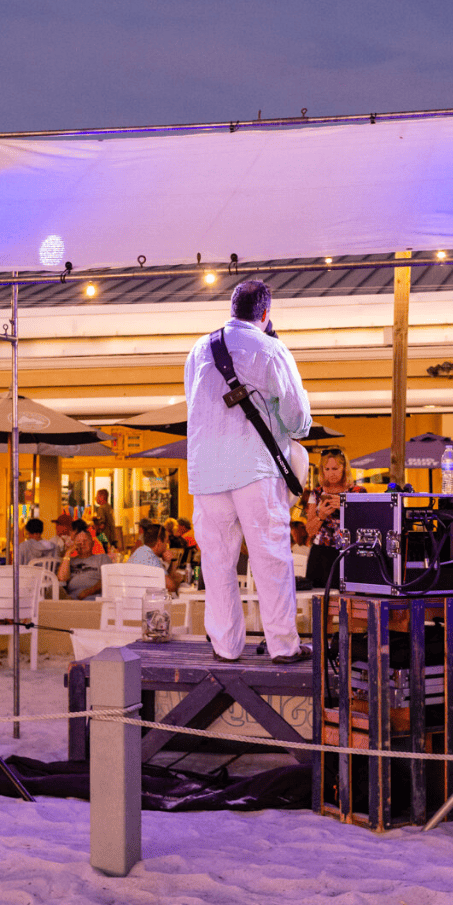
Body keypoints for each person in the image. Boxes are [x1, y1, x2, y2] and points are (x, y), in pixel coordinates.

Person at [185, 278, 312, 664]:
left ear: (231, 308)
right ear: (266, 313)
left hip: (206, 472)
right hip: (254, 469)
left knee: (217, 562)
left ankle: (225, 645)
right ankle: (283, 647)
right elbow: (298, 421)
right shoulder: (271, 349)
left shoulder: (198, 350)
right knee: (270, 558)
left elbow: (197, 404)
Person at [305, 448, 366, 587]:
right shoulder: (315, 493)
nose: (331, 473)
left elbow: (365, 526)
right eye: (327, 469)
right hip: (321, 553)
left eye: (335, 468)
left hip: (349, 552)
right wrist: (321, 515)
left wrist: (345, 508)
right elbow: (309, 531)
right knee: (319, 599)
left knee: (347, 599)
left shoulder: (357, 492)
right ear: (322, 470)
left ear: (344, 468)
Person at [56, 528, 111, 600]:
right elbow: (61, 578)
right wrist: (68, 553)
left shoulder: (102, 558)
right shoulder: (70, 560)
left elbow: (108, 579)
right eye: (78, 542)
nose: (82, 544)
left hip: (94, 596)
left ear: (93, 543)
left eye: (85, 540)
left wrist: (87, 592)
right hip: (71, 598)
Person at [127, 522, 182, 594]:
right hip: (146, 602)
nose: (166, 546)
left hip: (135, 599)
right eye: (166, 542)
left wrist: (169, 563)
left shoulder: (140, 552)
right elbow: (171, 587)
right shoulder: (151, 559)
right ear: (159, 543)